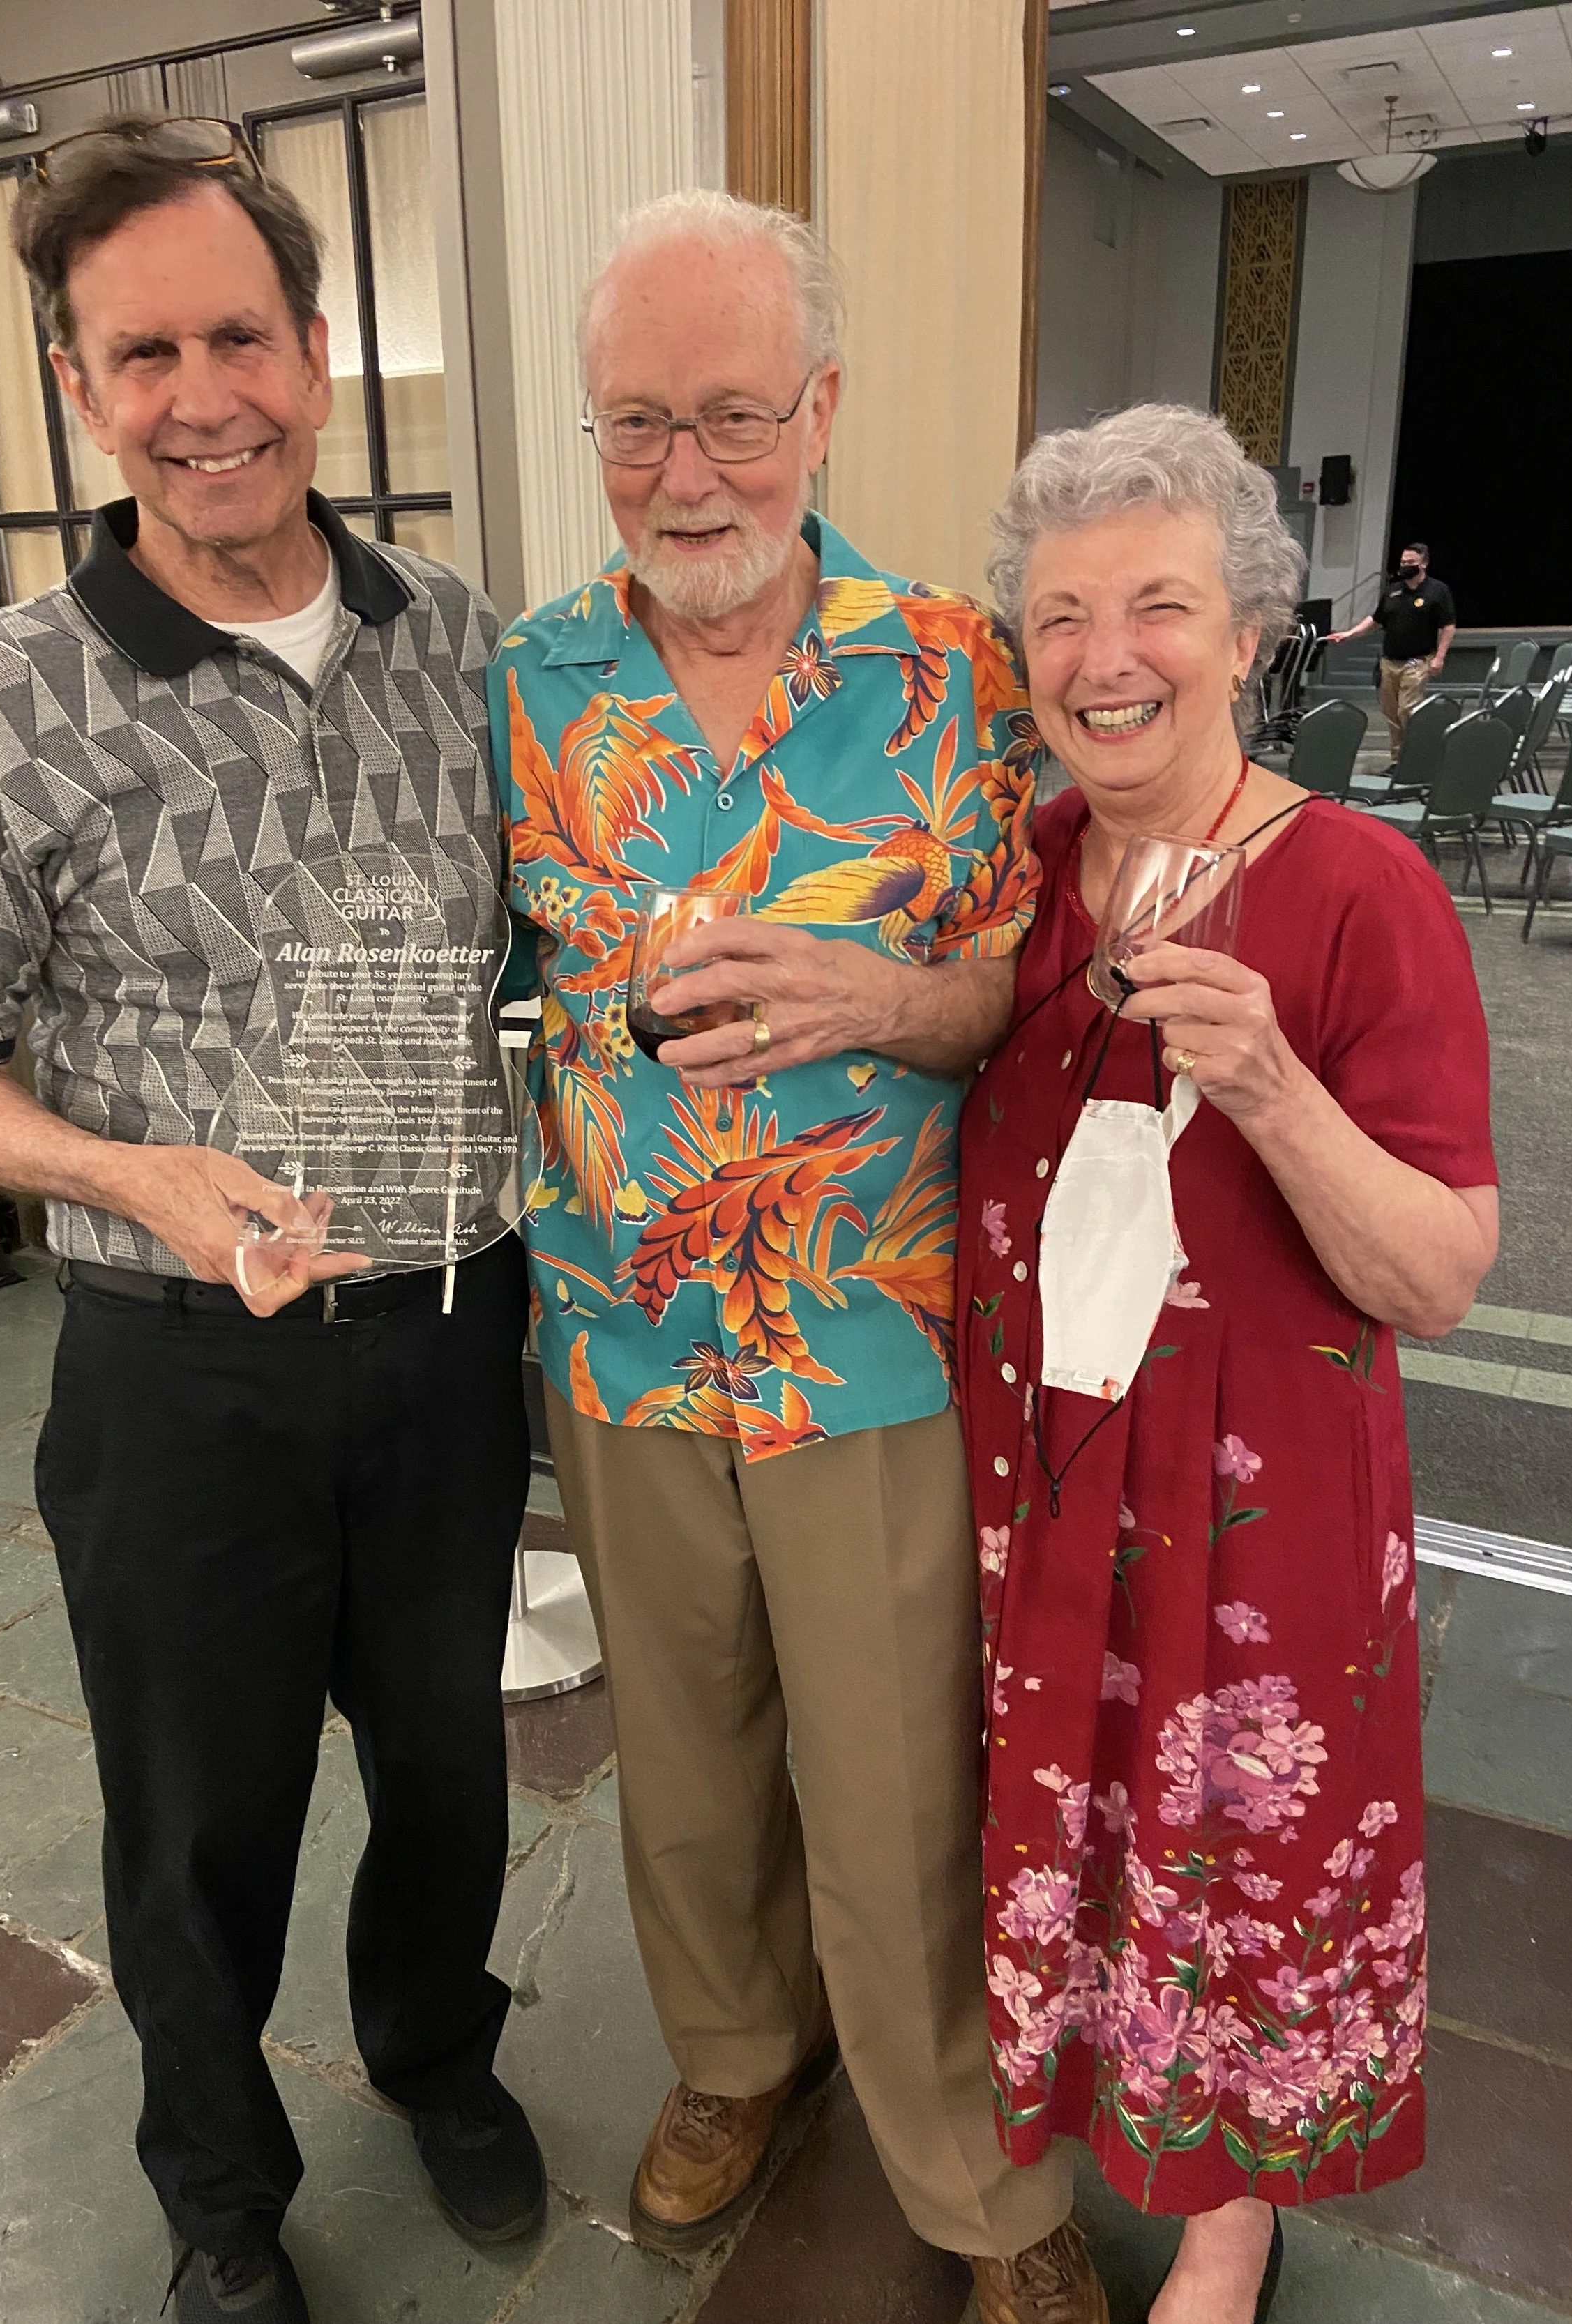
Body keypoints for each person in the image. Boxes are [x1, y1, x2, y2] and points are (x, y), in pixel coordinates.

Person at [0, 116, 543, 2324]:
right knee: (195, 1814)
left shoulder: (468, 645)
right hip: (180, 1374)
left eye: (236, 333)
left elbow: (549, 949)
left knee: (446, 1756)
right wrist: (125, 1168)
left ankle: (437, 2048)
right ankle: (216, 2189)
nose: (200, 392)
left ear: (317, 354)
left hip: (450, 1330)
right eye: (139, 351)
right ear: (79, 383)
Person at [488, 187, 1105, 2324]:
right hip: (628, 1324)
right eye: (634, 423)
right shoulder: (523, 684)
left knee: (892, 1771)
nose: (685, 474)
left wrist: (895, 1003)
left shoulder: (958, 670)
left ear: (823, 409)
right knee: (682, 1753)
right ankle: (735, 2062)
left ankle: (977, 2182)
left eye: (733, 416)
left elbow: (1039, 977)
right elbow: (467, 983)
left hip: (869, 1336)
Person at [959, 404, 1497, 2323]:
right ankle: (1088, 2110)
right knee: (1079, 1814)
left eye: (1158, 605)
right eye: (1062, 617)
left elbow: (1435, 1268)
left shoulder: (1356, 890)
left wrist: (1266, 1078)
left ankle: (1226, 2210)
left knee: (1233, 1849)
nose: (1107, 658)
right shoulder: (1018, 876)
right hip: (1041, 1482)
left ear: (1254, 632)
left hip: (1255, 1517)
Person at [1325, 542, 1456, 757]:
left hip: (1418, 662)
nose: (1405, 566)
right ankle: (1397, 760)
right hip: (1389, 662)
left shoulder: (1437, 591)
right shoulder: (1394, 591)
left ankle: (1416, 756)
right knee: (1391, 713)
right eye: (1403, 562)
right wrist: (1349, 634)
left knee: (1408, 710)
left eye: (1411, 562)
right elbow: (1376, 620)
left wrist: (1440, 657)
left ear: (1423, 563)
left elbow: (1448, 627)